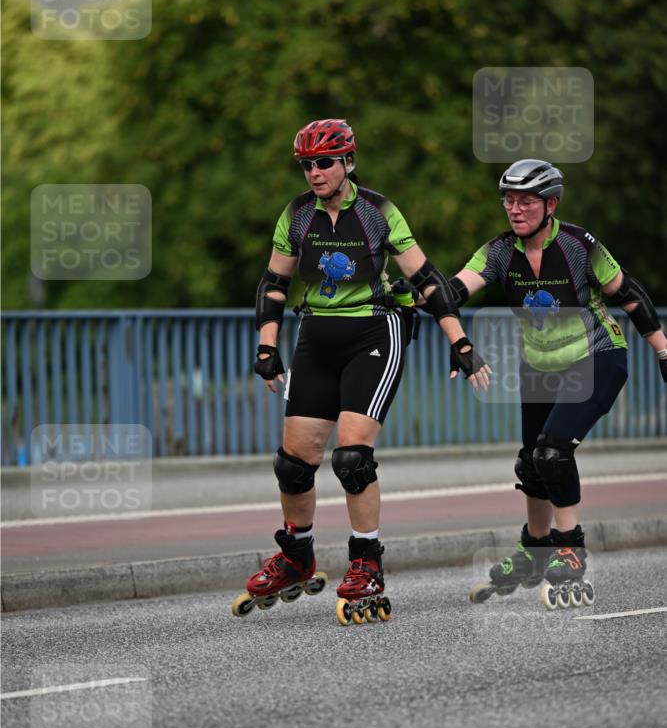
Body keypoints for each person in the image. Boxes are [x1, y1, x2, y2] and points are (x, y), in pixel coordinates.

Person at [239, 117, 489, 623]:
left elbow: (427, 279)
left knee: (351, 459)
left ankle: (366, 563)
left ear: (348, 162)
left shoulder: (379, 212)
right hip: (316, 336)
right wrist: (267, 349)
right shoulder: (296, 215)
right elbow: (272, 284)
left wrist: (459, 342)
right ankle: (297, 554)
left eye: (324, 163)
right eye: (307, 165)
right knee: (293, 463)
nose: (314, 172)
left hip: (375, 332)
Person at [451, 159, 667, 607]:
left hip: (597, 357)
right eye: (509, 200)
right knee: (531, 463)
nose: (515, 209)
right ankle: (535, 547)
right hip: (541, 366)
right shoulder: (497, 252)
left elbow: (629, 294)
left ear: (550, 204)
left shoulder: (577, 245)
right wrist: (417, 295)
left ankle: (570, 548)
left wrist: (663, 349)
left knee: (552, 451)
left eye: (526, 201)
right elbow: (454, 290)